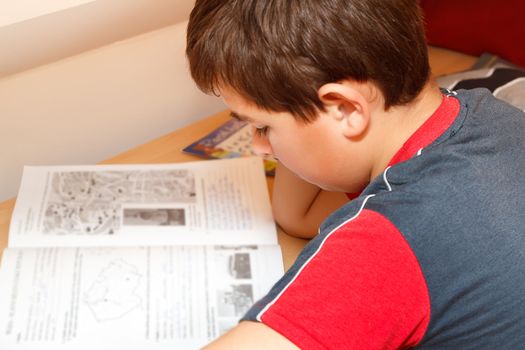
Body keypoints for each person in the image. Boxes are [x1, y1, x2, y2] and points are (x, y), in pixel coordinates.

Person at [186, 0, 525, 348]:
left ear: (347, 108)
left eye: (262, 127)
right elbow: (297, 216)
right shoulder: (490, 115)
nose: (259, 147)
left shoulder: (389, 237)